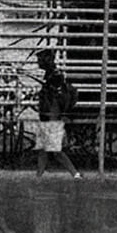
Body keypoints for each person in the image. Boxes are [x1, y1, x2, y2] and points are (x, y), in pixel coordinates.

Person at [33, 49, 81, 178]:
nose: (38, 62)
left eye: (40, 59)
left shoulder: (55, 75)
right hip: (46, 117)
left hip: (52, 118)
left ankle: (75, 174)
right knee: (42, 150)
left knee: (56, 151)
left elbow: (56, 91)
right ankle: (39, 176)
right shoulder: (50, 76)